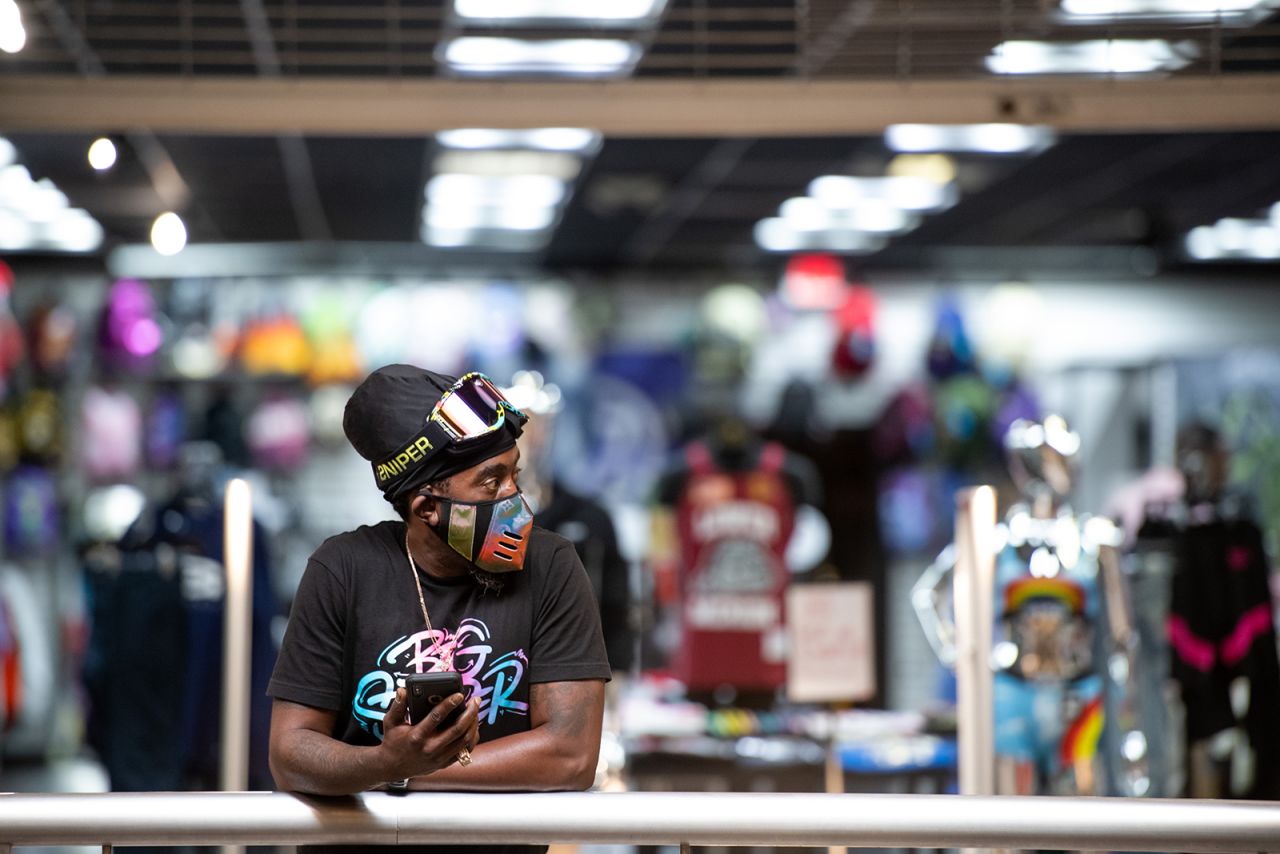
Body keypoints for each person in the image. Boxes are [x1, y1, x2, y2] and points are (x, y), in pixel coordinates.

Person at [268, 364, 611, 853]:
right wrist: (389, 763)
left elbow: (570, 756)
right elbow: (290, 753)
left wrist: (402, 772)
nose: (516, 500)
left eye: (515, 474)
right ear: (427, 507)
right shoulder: (343, 570)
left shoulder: (551, 566)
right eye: (491, 484)